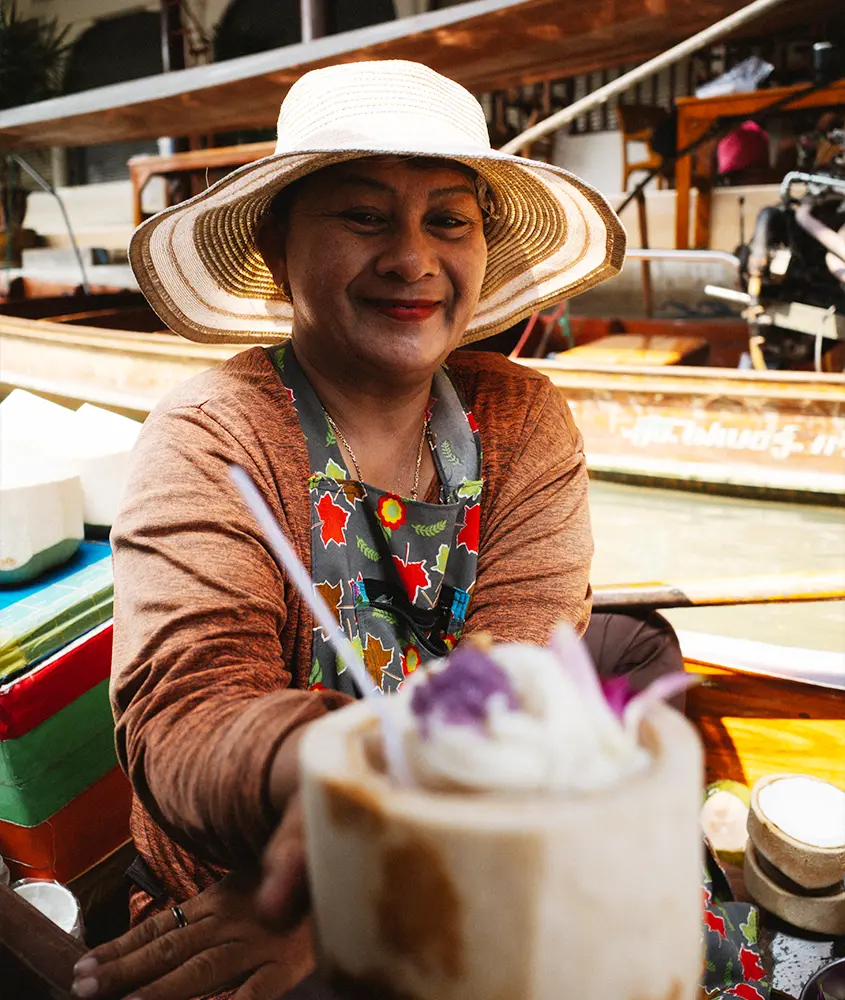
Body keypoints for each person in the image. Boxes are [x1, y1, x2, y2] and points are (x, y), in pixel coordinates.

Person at [70, 61, 769, 1000]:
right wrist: (323, 783)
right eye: (363, 216)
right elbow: (184, 710)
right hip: (261, 889)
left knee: (637, 649)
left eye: (448, 219)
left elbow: (519, 670)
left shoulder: (521, 415)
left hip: (461, 824)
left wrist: (389, 863)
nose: (411, 258)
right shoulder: (211, 432)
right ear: (278, 248)